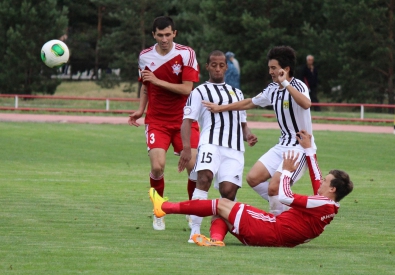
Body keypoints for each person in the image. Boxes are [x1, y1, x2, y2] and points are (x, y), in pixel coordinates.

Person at [149, 130, 354, 247]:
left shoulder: (323, 203)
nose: (321, 183)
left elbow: (284, 196)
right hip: (271, 234)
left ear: (333, 189)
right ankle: (216, 241)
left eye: (327, 182)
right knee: (221, 213)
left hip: (270, 229)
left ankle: (165, 207)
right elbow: (316, 176)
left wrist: (285, 170)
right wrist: (309, 150)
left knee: (221, 204)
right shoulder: (328, 205)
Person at [203, 45, 315, 216]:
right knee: (253, 178)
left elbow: (306, 103)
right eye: (269, 67)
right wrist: (221, 108)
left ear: (285, 69)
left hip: (300, 148)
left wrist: (285, 83)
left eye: (273, 68)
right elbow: (249, 102)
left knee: (274, 187)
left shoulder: (298, 85)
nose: (270, 71)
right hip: (282, 145)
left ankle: (281, 225)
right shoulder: (272, 89)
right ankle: (287, 209)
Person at [128, 16, 200, 231]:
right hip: (157, 120)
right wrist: (141, 110)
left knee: (194, 168)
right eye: (160, 35)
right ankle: (158, 210)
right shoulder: (144, 57)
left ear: (174, 34)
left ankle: (191, 210)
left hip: (184, 120)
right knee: (157, 167)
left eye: (168, 34)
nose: (164, 39)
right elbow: (145, 86)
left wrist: (158, 81)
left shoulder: (186, 54)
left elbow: (187, 88)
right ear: (153, 35)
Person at [178, 50, 258, 242]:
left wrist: (248, 136)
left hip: (234, 148)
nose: (217, 68)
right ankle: (195, 230)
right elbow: (187, 120)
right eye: (213, 65)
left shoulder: (237, 93)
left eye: (221, 65)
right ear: (207, 67)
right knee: (204, 179)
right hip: (210, 143)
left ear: (226, 67)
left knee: (228, 191)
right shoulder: (199, 91)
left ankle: (219, 231)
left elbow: (242, 123)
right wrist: (187, 148)